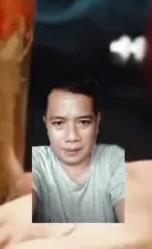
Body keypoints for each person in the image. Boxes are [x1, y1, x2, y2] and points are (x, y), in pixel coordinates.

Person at [32, 79, 125, 223]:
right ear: (46, 124)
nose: (72, 136)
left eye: (83, 122)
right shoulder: (36, 161)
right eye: (58, 123)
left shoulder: (114, 159)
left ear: (97, 122)